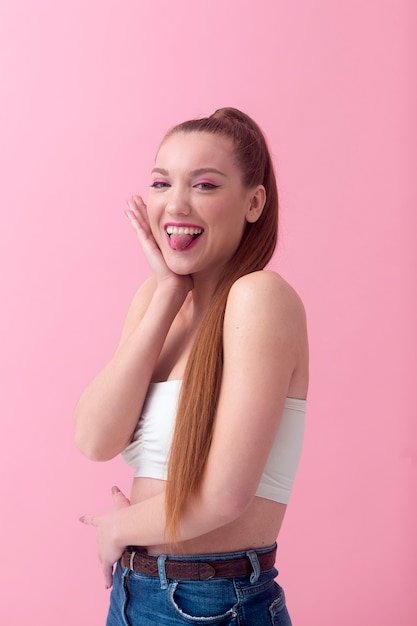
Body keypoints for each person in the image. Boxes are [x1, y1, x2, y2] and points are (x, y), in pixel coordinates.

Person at [74, 107, 309, 626]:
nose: (175, 203)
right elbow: (95, 439)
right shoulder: (156, 301)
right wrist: (167, 293)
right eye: (162, 182)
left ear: (253, 202)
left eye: (203, 184)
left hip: (212, 603)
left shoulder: (259, 298)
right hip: (135, 595)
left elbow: (226, 495)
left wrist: (119, 529)